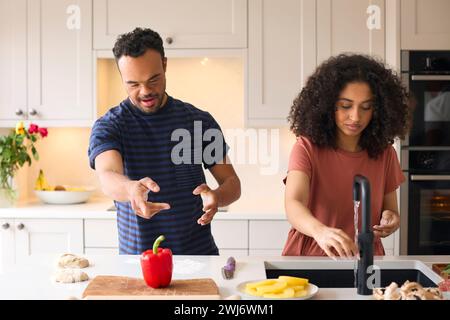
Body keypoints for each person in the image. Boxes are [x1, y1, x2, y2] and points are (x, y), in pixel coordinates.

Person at [88, 28, 241, 255]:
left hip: (198, 258)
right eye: (133, 84)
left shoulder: (198, 121)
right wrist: (131, 189)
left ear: (165, 65)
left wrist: (217, 196)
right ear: (122, 78)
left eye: (154, 79)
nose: (145, 91)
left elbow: (232, 183)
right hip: (140, 262)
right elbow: (108, 176)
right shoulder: (110, 125)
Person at [283, 54, 410, 258]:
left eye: (366, 107)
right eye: (345, 106)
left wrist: (390, 219)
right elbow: (293, 203)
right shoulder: (306, 147)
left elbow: (391, 210)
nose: (356, 116)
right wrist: (320, 231)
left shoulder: (385, 153)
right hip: (312, 254)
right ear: (327, 105)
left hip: (366, 257)